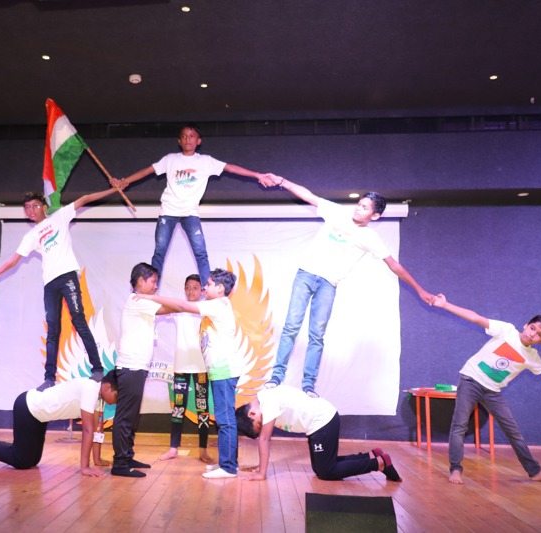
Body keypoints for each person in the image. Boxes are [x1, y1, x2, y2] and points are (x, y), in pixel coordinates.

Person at [264, 176, 434, 397]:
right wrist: (283, 182)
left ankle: (308, 385)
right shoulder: (338, 212)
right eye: (359, 204)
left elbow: (394, 264)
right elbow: (309, 196)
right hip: (306, 275)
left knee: (317, 334)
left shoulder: (370, 237)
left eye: (364, 208)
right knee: (291, 326)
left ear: (375, 215)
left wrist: (420, 289)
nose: (358, 209)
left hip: (329, 284)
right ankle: (276, 377)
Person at [0, 188, 118, 391]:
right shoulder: (31, 236)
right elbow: (12, 261)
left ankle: (97, 369)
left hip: (68, 276)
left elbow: (85, 198)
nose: (31, 210)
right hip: (50, 284)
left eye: (35, 205)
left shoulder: (59, 217)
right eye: (27, 207)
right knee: (53, 330)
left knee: (78, 320)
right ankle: (49, 378)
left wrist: (115, 188)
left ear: (44, 207)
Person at [432, 293, 541, 485]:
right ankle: (455, 469)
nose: (532, 334)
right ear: (526, 325)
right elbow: (476, 317)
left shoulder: (532, 357)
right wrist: (445, 305)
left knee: (513, 432)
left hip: (492, 391)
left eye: (539, 335)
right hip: (471, 380)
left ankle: (535, 471)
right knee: (460, 425)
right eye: (532, 328)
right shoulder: (507, 330)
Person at [110, 124, 276, 287]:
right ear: (179, 141)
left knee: (200, 252)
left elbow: (231, 168)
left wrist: (257, 175)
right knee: (159, 252)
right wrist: (124, 181)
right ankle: (152, 287)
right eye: (184, 136)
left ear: (198, 141)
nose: (187, 139)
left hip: (190, 213)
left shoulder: (205, 161)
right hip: (168, 211)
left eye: (191, 136)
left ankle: (207, 287)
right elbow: (147, 171)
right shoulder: (170, 159)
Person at [137, 268, 241, 479]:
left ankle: (229, 467)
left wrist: (150, 296)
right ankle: (228, 463)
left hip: (224, 370)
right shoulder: (216, 305)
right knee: (223, 418)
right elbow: (179, 307)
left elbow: (183, 305)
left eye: (208, 285)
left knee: (225, 419)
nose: (204, 288)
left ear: (220, 288)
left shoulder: (218, 304)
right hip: (217, 371)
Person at [0, 370, 118, 475]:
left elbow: (98, 429)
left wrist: (97, 459)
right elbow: (88, 430)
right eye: (117, 396)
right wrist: (85, 468)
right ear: (107, 387)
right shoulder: (91, 389)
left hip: (39, 417)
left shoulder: (99, 398)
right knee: (21, 461)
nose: (116, 402)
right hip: (28, 407)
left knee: (32, 460)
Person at [236, 385, 402, 482]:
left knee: (326, 471)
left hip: (323, 422)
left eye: (259, 424)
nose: (264, 425)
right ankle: (370, 456)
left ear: (251, 413)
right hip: (320, 423)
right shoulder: (265, 397)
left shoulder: (268, 402)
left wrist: (262, 473)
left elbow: (264, 439)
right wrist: (261, 467)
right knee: (321, 468)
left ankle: (378, 463)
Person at [111, 262, 176, 478]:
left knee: (131, 416)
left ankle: (127, 456)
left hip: (137, 368)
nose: (156, 286)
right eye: (153, 281)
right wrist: (189, 304)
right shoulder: (138, 300)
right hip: (131, 367)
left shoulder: (142, 302)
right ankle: (120, 464)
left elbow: (166, 308)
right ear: (140, 281)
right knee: (125, 417)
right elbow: (171, 308)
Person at [159, 274, 214, 464]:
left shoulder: (206, 310)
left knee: (202, 409)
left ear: (202, 291)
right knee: (178, 408)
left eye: (195, 288)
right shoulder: (179, 309)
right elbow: (159, 309)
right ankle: (173, 448)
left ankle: (203, 450)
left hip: (201, 367)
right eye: (188, 287)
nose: (191, 291)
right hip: (181, 366)